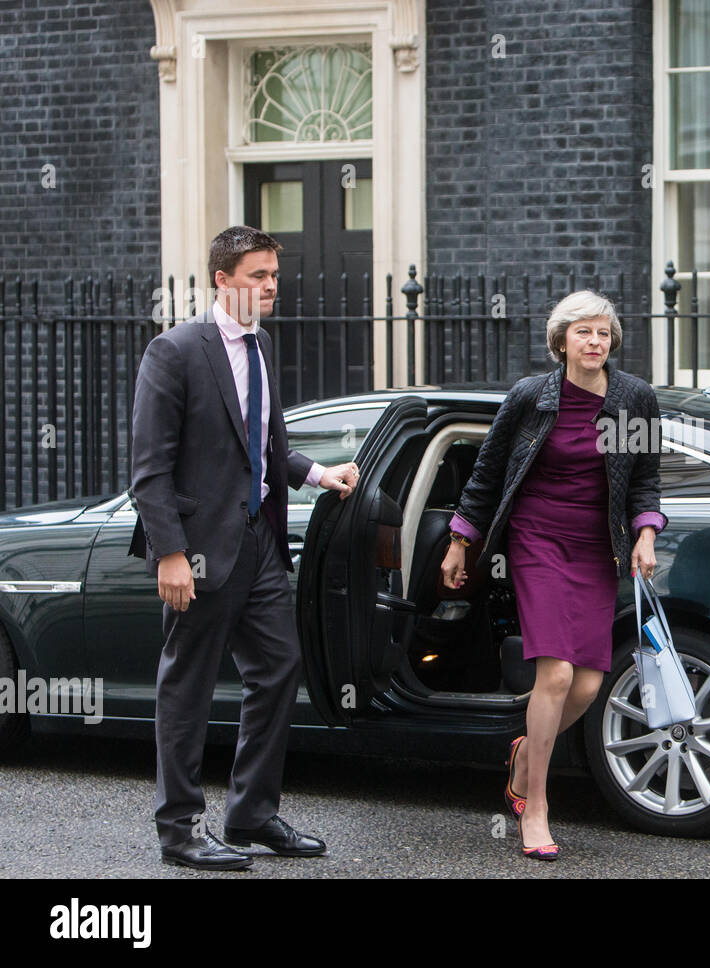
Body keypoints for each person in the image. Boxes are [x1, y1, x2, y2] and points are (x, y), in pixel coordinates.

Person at [128, 225, 360, 870]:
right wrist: (171, 554)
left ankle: (252, 813)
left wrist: (320, 475)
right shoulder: (173, 352)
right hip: (199, 550)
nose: (270, 288)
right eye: (258, 276)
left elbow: (263, 448)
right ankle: (179, 831)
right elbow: (150, 468)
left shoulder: (257, 349)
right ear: (222, 279)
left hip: (259, 542)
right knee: (188, 689)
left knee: (279, 668)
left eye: (275, 277)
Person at [442, 290, 666, 861]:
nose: (595, 343)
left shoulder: (633, 398)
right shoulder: (531, 398)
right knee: (558, 674)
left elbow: (645, 478)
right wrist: (461, 540)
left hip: (598, 547)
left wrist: (645, 534)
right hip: (537, 539)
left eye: (602, 333)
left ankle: (523, 755)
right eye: (583, 333)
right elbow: (488, 470)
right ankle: (535, 803)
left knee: (589, 683)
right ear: (560, 339)